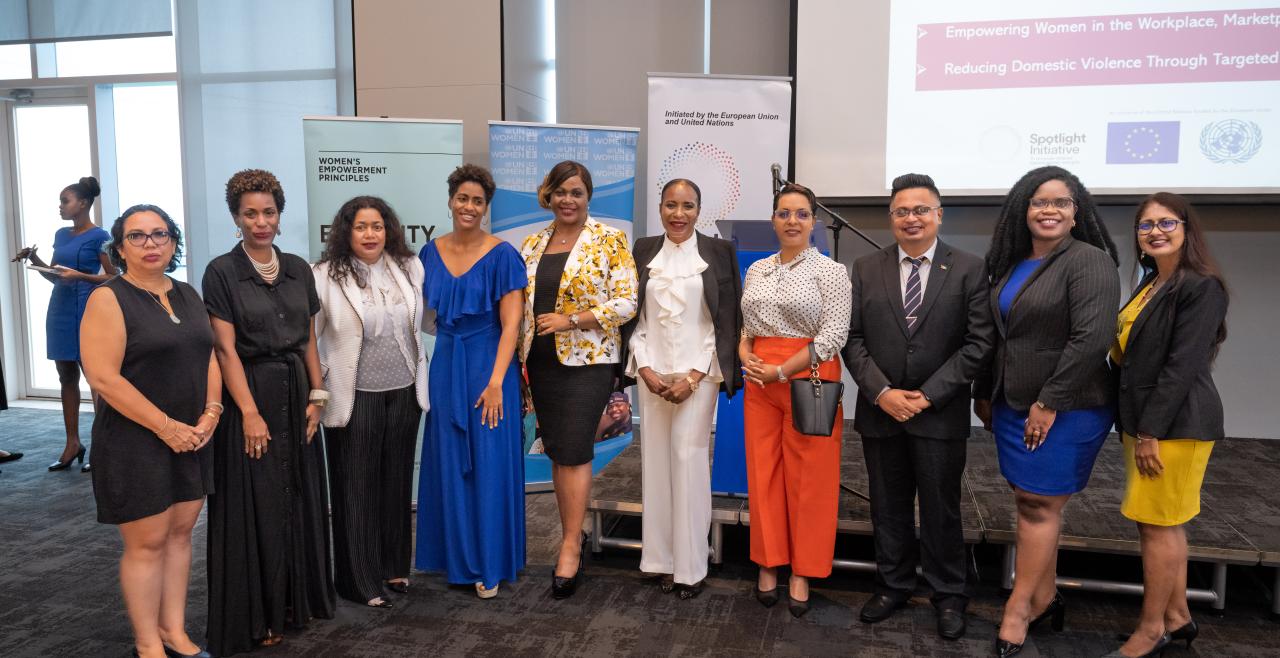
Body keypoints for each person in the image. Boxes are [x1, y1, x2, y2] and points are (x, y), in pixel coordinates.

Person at [973, 166, 1121, 658]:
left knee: (1039, 504)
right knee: (1031, 503)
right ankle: (1045, 596)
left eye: (1061, 202)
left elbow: (1091, 340)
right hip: (1012, 404)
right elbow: (996, 336)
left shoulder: (1090, 261)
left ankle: (1018, 608)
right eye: (1039, 202)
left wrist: (1048, 402)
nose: (1049, 210)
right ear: (1024, 209)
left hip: (1067, 407)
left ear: (1077, 212)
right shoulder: (1011, 263)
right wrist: (984, 391)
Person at [842, 174, 994, 639]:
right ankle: (893, 585)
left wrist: (928, 395)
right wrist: (883, 392)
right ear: (891, 218)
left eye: (921, 210)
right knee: (887, 507)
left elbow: (979, 342)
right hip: (880, 410)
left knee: (940, 509)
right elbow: (853, 338)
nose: (912, 219)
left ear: (938, 215)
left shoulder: (969, 268)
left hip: (939, 413)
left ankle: (949, 594)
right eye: (902, 211)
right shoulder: (867, 267)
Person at [203, 169, 334, 654]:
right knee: (255, 505)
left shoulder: (299, 267)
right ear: (236, 218)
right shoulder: (221, 271)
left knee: (297, 499)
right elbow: (225, 350)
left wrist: (318, 399)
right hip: (250, 395)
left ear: (280, 215)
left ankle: (294, 604)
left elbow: (308, 341)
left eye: (269, 212)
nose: (261, 222)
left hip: (297, 393)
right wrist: (250, 413)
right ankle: (257, 614)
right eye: (250, 213)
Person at [81, 204, 220, 658]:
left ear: (174, 241)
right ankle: (147, 645)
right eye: (137, 236)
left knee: (180, 537)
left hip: (191, 437)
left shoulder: (186, 293)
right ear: (120, 248)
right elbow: (104, 378)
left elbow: (209, 356)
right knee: (147, 544)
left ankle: (174, 632)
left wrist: (212, 413)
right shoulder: (109, 297)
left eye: (160, 234)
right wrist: (166, 428)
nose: (151, 244)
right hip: (135, 441)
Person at [1105, 193, 1228, 658]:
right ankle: (1178, 619)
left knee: (1160, 527)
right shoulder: (1153, 282)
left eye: (1165, 222)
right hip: (1145, 422)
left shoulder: (1202, 286)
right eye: (1145, 225)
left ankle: (1151, 629)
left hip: (1175, 426)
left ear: (1186, 228)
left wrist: (1151, 431)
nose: (1154, 231)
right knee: (1158, 523)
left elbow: (1180, 366)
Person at [519, 160, 638, 599]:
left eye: (577, 192)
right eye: (561, 192)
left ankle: (570, 543)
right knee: (556, 449)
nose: (568, 200)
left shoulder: (609, 239)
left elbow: (627, 302)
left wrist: (573, 320)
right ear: (548, 195)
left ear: (589, 198)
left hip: (587, 362)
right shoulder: (532, 244)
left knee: (574, 449)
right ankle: (574, 533)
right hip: (541, 363)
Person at [621, 178, 743, 600]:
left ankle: (690, 567)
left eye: (687, 206)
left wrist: (693, 376)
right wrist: (646, 368)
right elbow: (633, 318)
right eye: (671, 205)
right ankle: (658, 560)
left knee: (687, 462)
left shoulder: (718, 252)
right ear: (659, 208)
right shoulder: (642, 249)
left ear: (699, 209)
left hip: (699, 374)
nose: (678, 214)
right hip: (650, 373)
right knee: (654, 462)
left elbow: (726, 322)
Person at [739, 183, 851, 618]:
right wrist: (747, 356)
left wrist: (781, 370)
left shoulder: (831, 271)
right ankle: (769, 562)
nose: (792, 221)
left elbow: (834, 335)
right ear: (773, 220)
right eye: (784, 213)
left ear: (814, 222)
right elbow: (746, 328)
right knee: (763, 472)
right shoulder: (758, 269)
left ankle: (803, 570)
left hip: (810, 376)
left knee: (811, 479)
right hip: (759, 378)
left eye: (801, 214)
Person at [416, 164, 527, 599]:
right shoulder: (429, 253)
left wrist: (498, 380)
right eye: (462, 198)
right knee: (448, 460)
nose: (469, 206)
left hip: (490, 368)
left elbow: (512, 323)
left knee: (488, 463)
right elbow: (424, 317)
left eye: (477, 201)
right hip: (446, 365)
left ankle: (489, 563)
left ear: (486, 207)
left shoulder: (503, 255)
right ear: (450, 201)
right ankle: (455, 558)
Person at [314, 196, 428, 608]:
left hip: (405, 391)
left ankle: (394, 567)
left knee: (396, 483)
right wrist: (317, 390)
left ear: (388, 230)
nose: (370, 234)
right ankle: (357, 580)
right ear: (346, 232)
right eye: (361, 226)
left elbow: (424, 321)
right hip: (352, 394)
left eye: (377, 226)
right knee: (354, 488)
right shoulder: (324, 275)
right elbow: (313, 337)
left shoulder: (409, 267)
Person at [11, 175, 116, 472]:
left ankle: (102, 446)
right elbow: (57, 274)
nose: (60, 206)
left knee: (95, 379)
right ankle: (72, 443)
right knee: (65, 376)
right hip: (59, 307)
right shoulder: (60, 234)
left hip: (86, 309)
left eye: (64, 201)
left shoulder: (101, 236)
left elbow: (114, 277)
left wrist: (80, 276)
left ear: (83, 204)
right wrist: (36, 258)